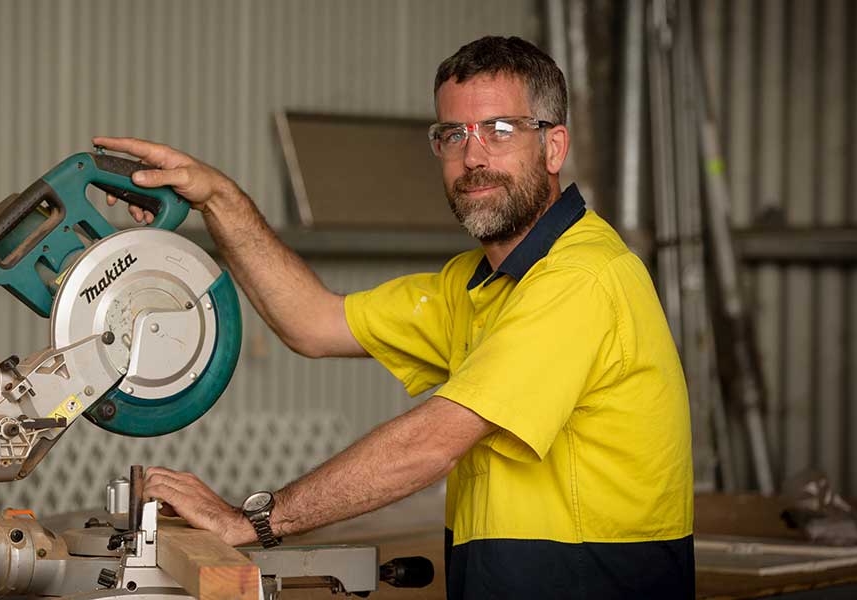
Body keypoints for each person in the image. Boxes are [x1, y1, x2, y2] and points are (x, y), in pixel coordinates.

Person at [94, 35, 693, 599]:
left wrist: (253, 521)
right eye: (453, 133)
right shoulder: (473, 286)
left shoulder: (582, 278)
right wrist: (218, 199)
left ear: (553, 146)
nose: (473, 155)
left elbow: (432, 443)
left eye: (500, 129)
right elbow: (315, 322)